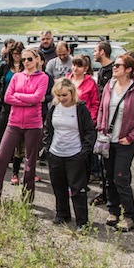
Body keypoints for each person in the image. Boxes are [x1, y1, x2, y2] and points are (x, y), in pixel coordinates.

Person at [0, 48, 49, 203]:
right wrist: (28, 101)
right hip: (14, 123)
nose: (26, 62)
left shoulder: (43, 77)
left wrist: (19, 96)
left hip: (33, 125)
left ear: (37, 59)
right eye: (24, 60)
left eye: (29, 59)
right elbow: (7, 97)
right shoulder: (17, 76)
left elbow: (37, 98)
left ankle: (27, 199)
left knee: (29, 164)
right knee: (1, 159)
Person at [96, 53, 134, 232]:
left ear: (128, 70)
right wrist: (100, 128)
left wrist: (132, 136)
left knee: (121, 179)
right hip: (107, 141)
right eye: (114, 65)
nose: (114, 68)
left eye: (118, 65)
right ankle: (113, 211)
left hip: (124, 142)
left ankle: (129, 215)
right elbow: (102, 109)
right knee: (108, 177)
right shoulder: (109, 86)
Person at [43, 78, 97, 231]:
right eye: (59, 95)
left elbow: (89, 131)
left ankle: (82, 221)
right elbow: (47, 128)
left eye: (64, 95)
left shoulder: (80, 109)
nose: (62, 98)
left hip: (75, 154)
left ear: (72, 93)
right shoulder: (54, 107)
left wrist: (84, 152)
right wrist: (47, 148)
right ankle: (62, 214)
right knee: (58, 186)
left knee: (77, 189)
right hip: (56, 153)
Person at [0, 41, 26, 181]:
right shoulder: (5, 66)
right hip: (6, 103)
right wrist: (2, 91)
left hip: (21, 103)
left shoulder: (26, 67)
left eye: (18, 54)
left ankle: (16, 163)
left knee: (19, 135)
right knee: (1, 130)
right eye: (14, 54)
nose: (16, 56)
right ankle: (4, 157)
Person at [67, 55, 99, 122]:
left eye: (79, 66)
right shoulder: (66, 80)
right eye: (74, 65)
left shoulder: (91, 83)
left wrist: (91, 120)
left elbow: (95, 104)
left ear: (86, 68)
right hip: (66, 118)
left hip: (84, 120)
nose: (75, 68)